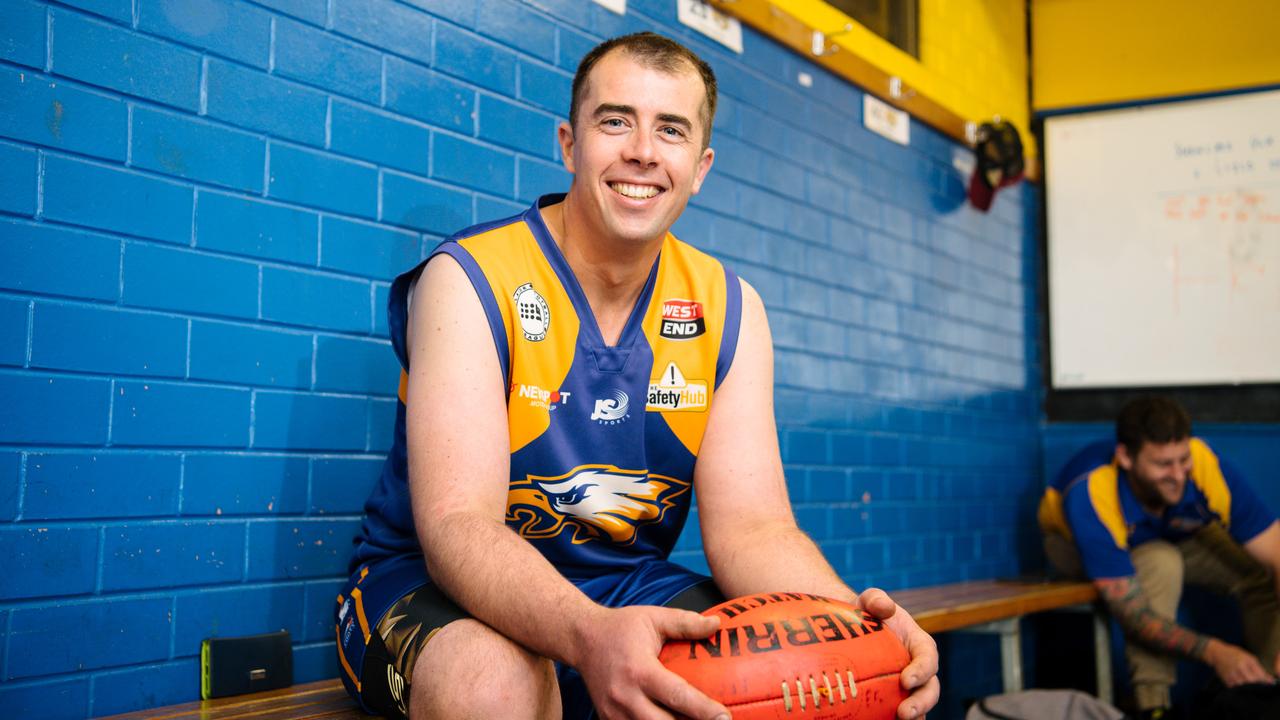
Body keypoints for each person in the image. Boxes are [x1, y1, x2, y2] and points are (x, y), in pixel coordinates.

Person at [334, 31, 939, 720]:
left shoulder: (728, 306)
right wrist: (587, 635)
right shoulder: (470, 279)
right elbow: (456, 527)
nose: (642, 151)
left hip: (627, 586)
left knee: (789, 675)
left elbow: (754, 531)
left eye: (670, 130)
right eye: (615, 120)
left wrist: (863, 629)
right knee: (494, 686)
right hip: (426, 588)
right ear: (569, 144)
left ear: (700, 166)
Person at [1039, 396, 1280, 719]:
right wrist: (1216, 652)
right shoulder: (1091, 491)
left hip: (1171, 531)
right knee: (1161, 561)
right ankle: (1154, 707)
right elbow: (1133, 614)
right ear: (1125, 457)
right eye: (1164, 464)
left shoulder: (1204, 465)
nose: (1179, 474)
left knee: (1258, 571)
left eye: (1183, 459)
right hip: (1072, 546)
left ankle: (1266, 688)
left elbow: (1277, 554)